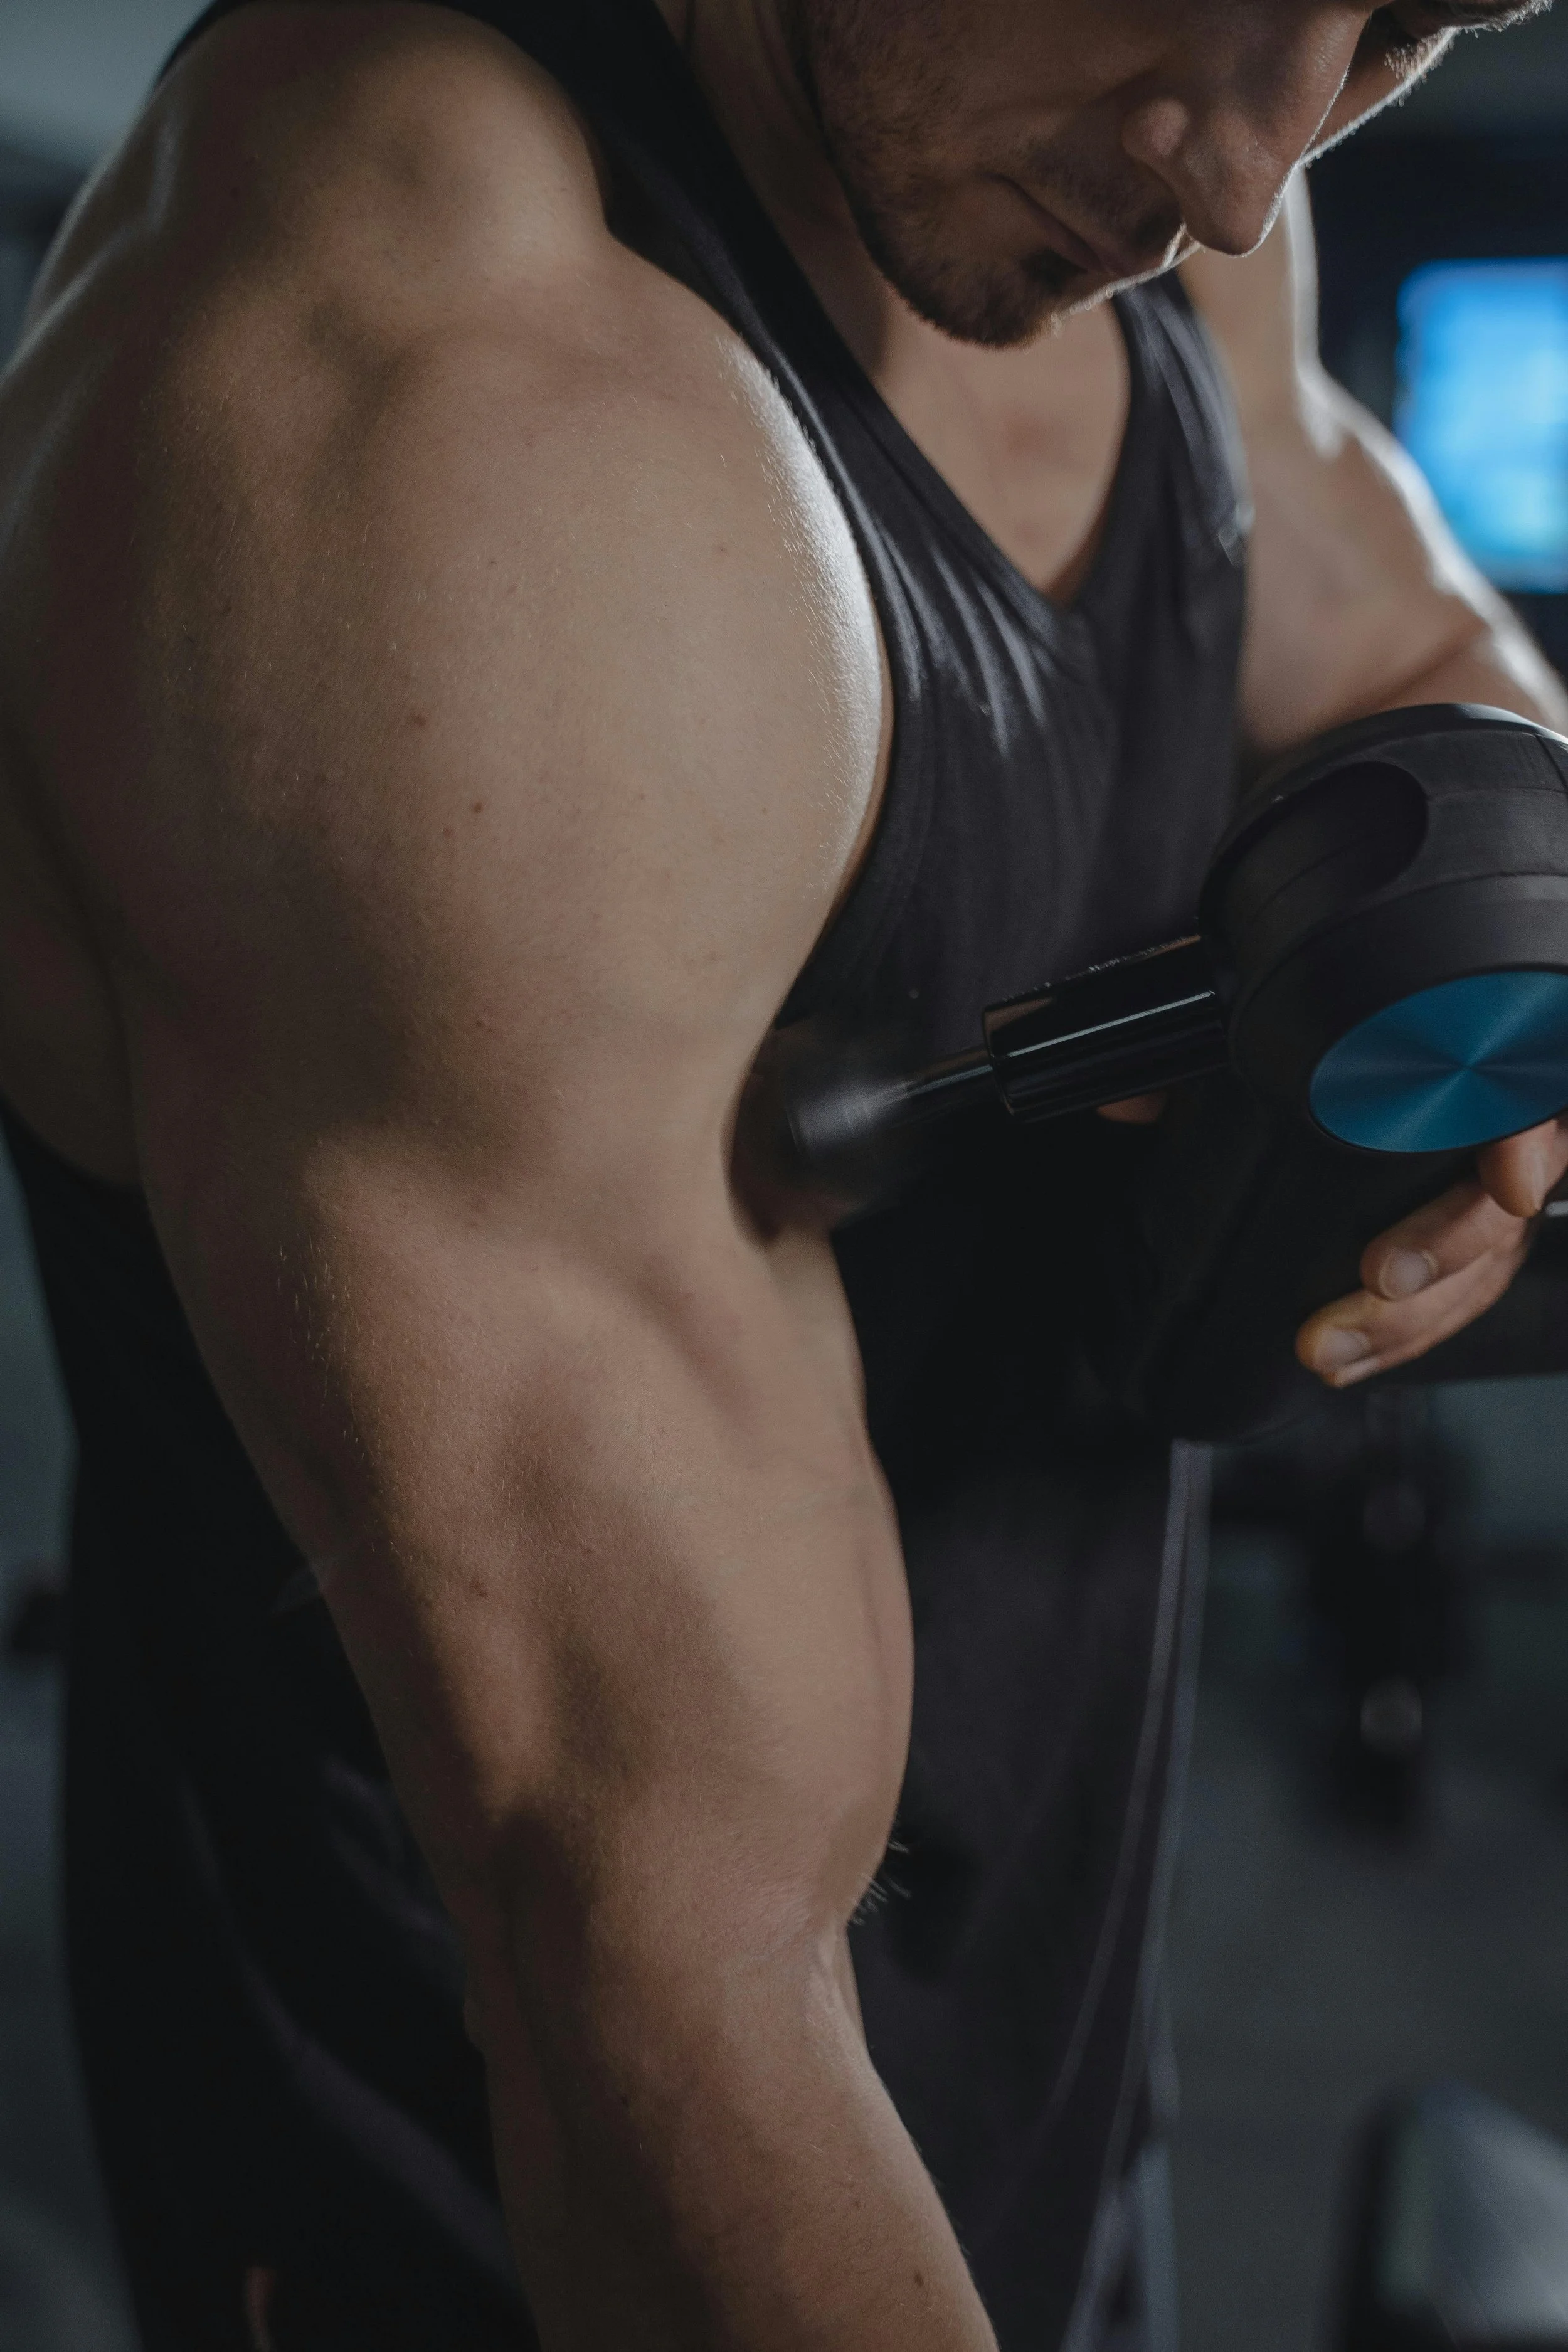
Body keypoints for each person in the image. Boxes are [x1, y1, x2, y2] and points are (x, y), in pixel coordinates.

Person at [0, 2, 1563, 2346]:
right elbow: (657, 1964)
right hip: (566, 2210)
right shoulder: (440, 419)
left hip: (1042, 2006)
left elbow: (1352, 580)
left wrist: (1497, 869)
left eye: (1397, 26)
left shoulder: (1131, 166)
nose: (1249, 170)